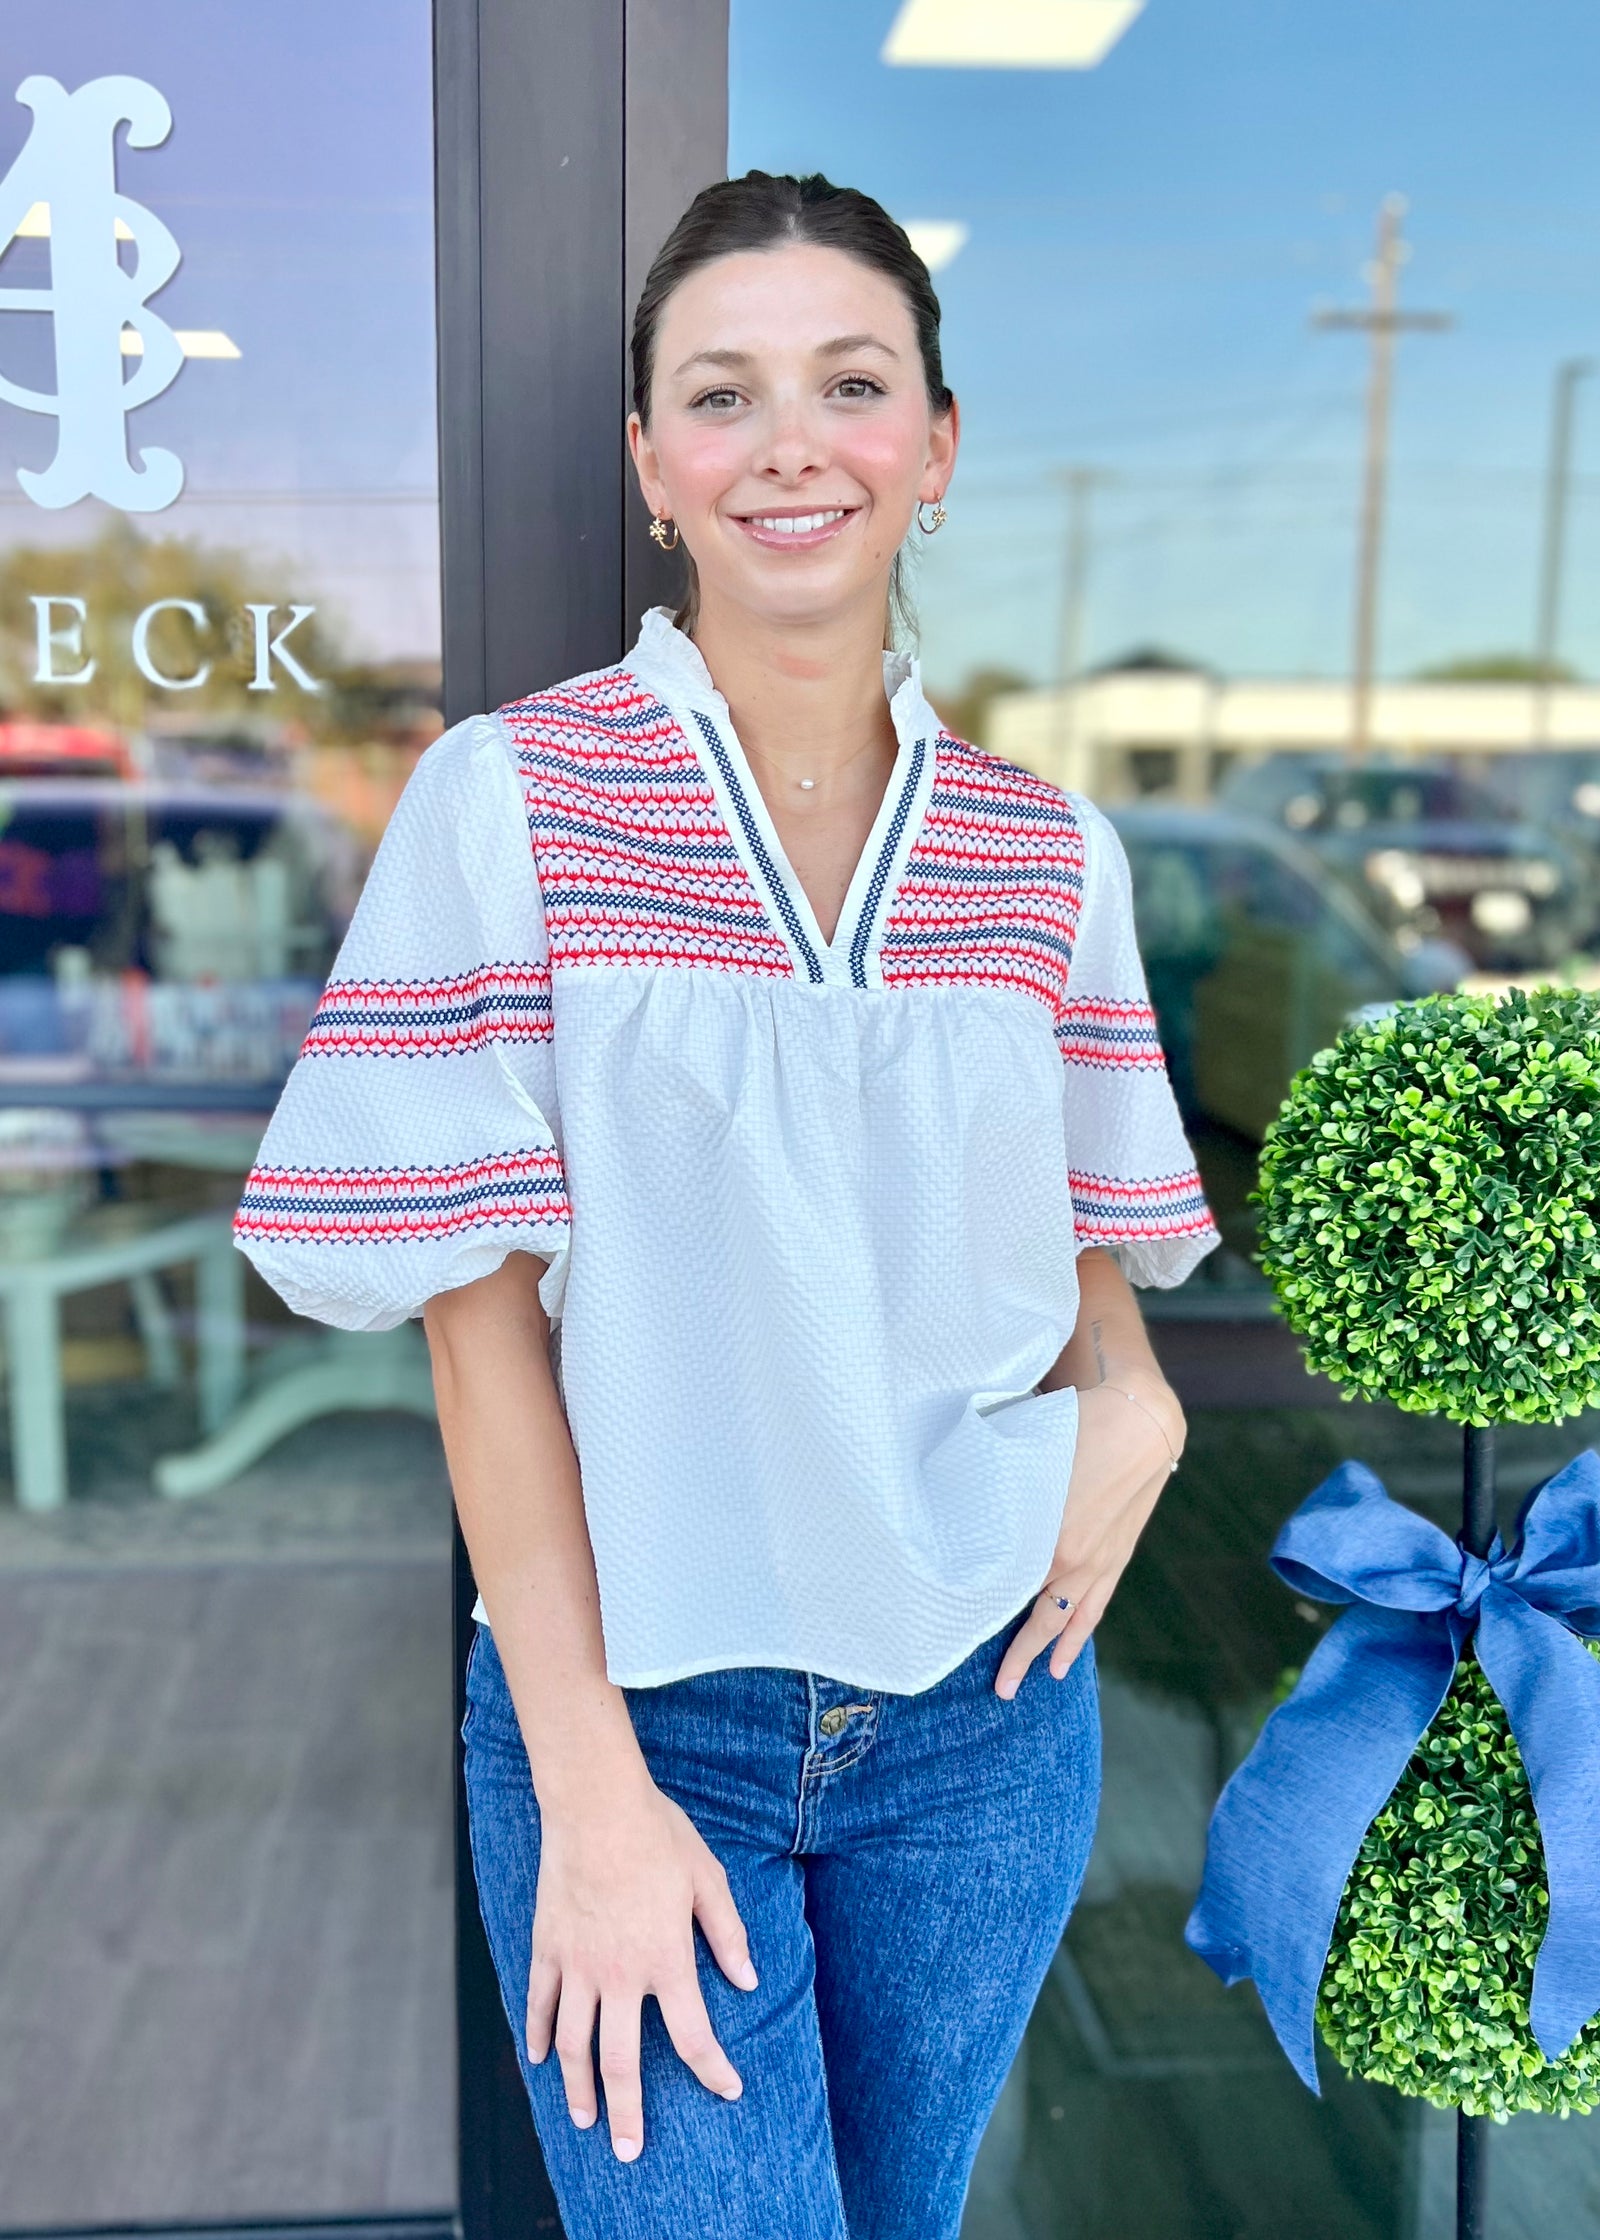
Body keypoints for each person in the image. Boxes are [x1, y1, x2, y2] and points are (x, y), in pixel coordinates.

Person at [235, 169, 1218, 2240]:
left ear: (932, 448)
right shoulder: (512, 798)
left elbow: (1069, 1226)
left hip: (983, 1714)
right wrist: (590, 1786)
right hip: (638, 1704)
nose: (789, 441)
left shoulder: (1046, 851)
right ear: (649, 466)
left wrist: (1131, 1391)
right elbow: (470, 1315)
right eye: (720, 393)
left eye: (851, 383)